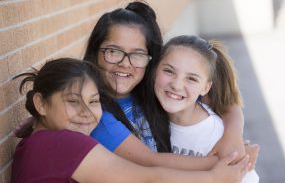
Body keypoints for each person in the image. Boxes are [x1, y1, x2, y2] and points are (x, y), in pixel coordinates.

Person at [11, 58, 249, 183]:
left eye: (94, 102)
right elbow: (146, 178)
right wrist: (214, 177)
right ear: (41, 103)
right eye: (73, 101)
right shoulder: (63, 143)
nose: (86, 112)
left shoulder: (38, 141)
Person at [84, 0, 256, 170]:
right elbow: (150, 161)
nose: (124, 63)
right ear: (95, 51)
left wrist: (232, 137)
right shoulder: (95, 112)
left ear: (150, 61)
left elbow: (226, 104)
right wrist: (232, 160)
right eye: (113, 51)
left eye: (137, 54)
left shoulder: (153, 89)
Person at [153, 35, 259, 182]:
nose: (176, 85)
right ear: (154, 70)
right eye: (169, 71)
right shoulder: (144, 115)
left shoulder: (217, 135)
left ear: (205, 88)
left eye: (191, 78)